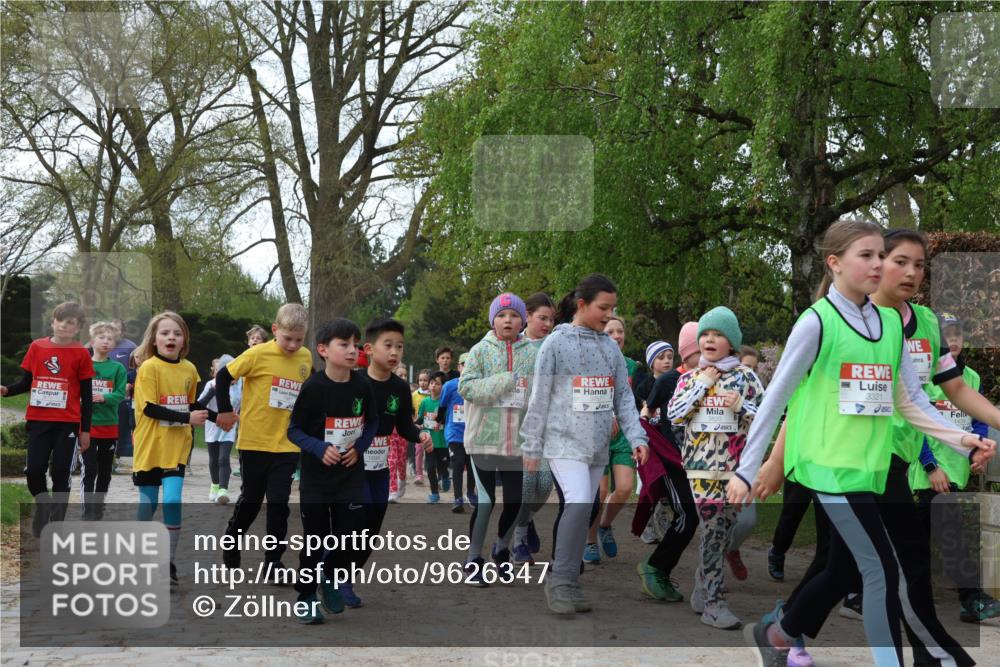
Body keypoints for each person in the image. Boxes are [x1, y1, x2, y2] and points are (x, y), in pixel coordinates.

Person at [733, 219, 996, 667]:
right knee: (883, 570)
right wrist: (749, 467)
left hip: (872, 468)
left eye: (882, 256)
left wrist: (964, 437)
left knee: (849, 568)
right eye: (870, 256)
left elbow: (911, 402)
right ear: (834, 263)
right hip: (829, 468)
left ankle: (780, 633)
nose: (881, 266)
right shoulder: (817, 322)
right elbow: (779, 397)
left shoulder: (894, 324)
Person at [520, 274, 649, 614]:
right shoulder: (555, 344)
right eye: (603, 308)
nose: (609, 314)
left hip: (596, 448)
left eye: (612, 308)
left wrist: (637, 437)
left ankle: (571, 584)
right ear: (582, 305)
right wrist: (531, 447)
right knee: (577, 503)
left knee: (587, 508)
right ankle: (559, 581)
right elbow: (539, 398)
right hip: (563, 443)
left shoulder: (609, 348)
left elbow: (624, 398)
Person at [666, 306, 765, 629]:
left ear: (732, 342)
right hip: (700, 468)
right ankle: (714, 602)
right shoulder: (691, 377)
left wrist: (738, 404)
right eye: (705, 334)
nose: (710, 340)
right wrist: (702, 385)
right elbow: (676, 415)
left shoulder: (746, 377)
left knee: (725, 531)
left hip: (737, 469)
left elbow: (766, 419)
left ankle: (702, 583)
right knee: (711, 529)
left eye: (718, 334)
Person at [908, 313, 1000, 623]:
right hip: (927, 474)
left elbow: (977, 420)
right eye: (947, 335)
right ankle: (970, 599)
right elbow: (916, 425)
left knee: (916, 541)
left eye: (959, 334)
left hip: (956, 471)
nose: (954, 340)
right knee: (952, 533)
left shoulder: (970, 379)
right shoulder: (922, 375)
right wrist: (931, 466)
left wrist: (977, 448)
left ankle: (885, 591)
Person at [286, 318, 378, 624]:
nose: (352, 350)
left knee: (350, 536)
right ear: (323, 350)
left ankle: (329, 574)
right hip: (316, 480)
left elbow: (373, 423)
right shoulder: (313, 387)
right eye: (344, 344)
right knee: (316, 539)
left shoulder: (362, 384)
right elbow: (294, 430)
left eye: (355, 344)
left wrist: (360, 447)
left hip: (350, 477)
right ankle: (306, 595)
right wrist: (317, 447)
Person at [215, 304, 312, 579]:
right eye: (287, 338)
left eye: (299, 339)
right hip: (255, 442)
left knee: (279, 503)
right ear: (274, 330)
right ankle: (232, 540)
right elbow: (224, 376)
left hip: (287, 444)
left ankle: (273, 563)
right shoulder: (257, 354)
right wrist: (224, 410)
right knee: (252, 500)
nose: (293, 345)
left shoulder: (306, 357)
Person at [458, 293, 538, 585]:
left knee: (517, 502)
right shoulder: (479, 350)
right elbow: (466, 388)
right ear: (493, 320)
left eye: (514, 315)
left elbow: (538, 393)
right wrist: (505, 380)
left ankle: (501, 549)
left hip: (517, 442)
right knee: (486, 501)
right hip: (484, 439)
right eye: (502, 315)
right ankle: (473, 559)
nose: (508, 320)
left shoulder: (533, 352)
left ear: (523, 320)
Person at [131, 311, 212, 586]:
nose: (171, 337)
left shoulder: (189, 369)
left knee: (173, 500)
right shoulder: (149, 368)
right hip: (150, 447)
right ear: (154, 339)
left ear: (184, 340)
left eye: (177, 333)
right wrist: (188, 417)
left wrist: (218, 416)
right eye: (165, 333)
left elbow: (190, 406)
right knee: (148, 506)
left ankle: (168, 563)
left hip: (177, 447)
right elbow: (150, 408)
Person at [1, 302, 94, 537]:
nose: (64, 325)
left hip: (68, 423)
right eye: (60, 320)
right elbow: (25, 382)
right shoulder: (37, 347)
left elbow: (87, 395)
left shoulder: (81, 353)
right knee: (34, 471)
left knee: (61, 471)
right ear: (52, 321)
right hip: (39, 420)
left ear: (78, 328)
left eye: (70, 322)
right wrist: (6, 391)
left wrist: (86, 431)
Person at [357, 318, 431, 606]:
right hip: (352, 467)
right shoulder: (355, 382)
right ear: (369, 349)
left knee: (371, 530)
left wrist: (420, 435)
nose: (394, 352)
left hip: (379, 467)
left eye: (399, 347)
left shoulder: (400, 389)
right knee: (351, 525)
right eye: (387, 345)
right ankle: (331, 574)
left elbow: (404, 427)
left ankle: (346, 577)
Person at [583, 314, 640, 564]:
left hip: (623, 437)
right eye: (611, 331)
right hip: (597, 433)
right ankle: (590, 541)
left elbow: (634, 402)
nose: (617, 336)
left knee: (625, 488)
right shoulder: (589, 361)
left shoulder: (633, 367)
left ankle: (605, 525)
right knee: (600, 490)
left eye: (620, 331)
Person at [512, 292, 556, 561]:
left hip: (549, 426)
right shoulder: (511, 345)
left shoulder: (554, 345)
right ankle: (518, 539)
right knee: (527, 484)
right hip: (517, 425)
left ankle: (526, 519)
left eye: (551, 319)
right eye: (542, 318)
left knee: (545, 483)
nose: (547, 324)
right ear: (526, 316)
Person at [80, 321, 128, 520]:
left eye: (110, 339)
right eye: (102, 337)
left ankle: (98, 507)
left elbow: (121, 394)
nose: (106, 342)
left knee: (105, 472)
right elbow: (74, 390)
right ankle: (87, 509)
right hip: (88, 428)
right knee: (90, 469)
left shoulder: (117, 368)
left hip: (110, 426)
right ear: (92, 341)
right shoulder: (84, 366)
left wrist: (105, 397)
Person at [198, 354, 241, 505]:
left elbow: (244, 404)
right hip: (212, 426)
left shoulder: (240, 385)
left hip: (229, 428)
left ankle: (223, 490)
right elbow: (199, 405)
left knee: (223, 458)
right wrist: (213, 391)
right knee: (214, 460)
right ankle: (215, 486)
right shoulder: (211, 384)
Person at [438, 355, 472, 513]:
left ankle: (471, 494)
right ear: (458, 367)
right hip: (455, 433)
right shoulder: (450, 385)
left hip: (473, 433)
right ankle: (458, 498)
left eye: (470, 364)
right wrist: (439, 421)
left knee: (472, 467)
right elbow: (442, 406)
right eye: (463, 365)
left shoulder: (479, 386)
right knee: (458, 464)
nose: (466, 367)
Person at [417, 371, 450, 502]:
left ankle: (445, 474)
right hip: (429, 441)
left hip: (443, 442)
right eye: (431, 383)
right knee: (430, 468)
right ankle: (435, 493)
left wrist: (441, 422)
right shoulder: (425, 402)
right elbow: (420, 419)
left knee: (442, 466)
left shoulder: (445, 403)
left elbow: (449, 419)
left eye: (437, 384)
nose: (433, 386)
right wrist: (413, 425)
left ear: (443, 386)